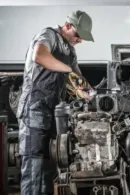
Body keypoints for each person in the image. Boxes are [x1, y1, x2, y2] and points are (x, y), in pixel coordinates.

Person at [16, 10, 94, 195]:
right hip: (33, 111)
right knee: (35, 167)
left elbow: (78, 81)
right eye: (78, 35)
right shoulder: (48, 35)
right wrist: (67, 70)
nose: (79, 40)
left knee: (50, 168)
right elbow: (40, 56)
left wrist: (92, 95)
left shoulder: (70, 51)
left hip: (53, 113)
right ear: (68, 26)